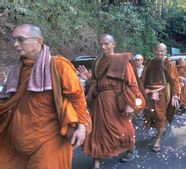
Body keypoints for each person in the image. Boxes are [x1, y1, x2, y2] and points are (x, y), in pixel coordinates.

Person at [0, 24, 91, 169]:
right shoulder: (19, 68)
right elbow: (9, 101)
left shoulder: (58, 65)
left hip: (50, 141)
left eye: (21, 40)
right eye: (14, 40)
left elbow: (77, 97)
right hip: (18, 143)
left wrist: (82, 126)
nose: (16, 45)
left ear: (39, 41)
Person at [82, 34, 145, 168]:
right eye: (101, 44)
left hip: (117, 101)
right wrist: (88, 80)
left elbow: (132, 83)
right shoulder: (97, 62)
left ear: (113, 44)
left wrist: (130, 103)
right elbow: (95, 82)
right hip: (100, 101)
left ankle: (130, 148)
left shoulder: (122, 60)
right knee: (97, 131)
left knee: (123, 128)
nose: (103, 46)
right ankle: (97, 159)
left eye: (106, 44)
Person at [141, 43, 180, 152]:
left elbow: (174, 80)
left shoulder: (169, 64)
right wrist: (141, 90)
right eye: (158, 50)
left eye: (162, 51)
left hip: (161, 93)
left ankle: (158, 139)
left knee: (160, 115)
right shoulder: (150, 62)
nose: (159, 53)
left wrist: (175, 95)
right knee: (150, 112)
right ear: (154, 50)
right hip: (148, 92)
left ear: (166, 52)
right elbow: (144, 77)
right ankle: (160, 131)